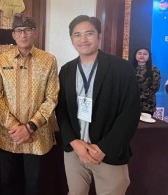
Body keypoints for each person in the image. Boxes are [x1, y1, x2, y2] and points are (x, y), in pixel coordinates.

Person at [55, 15, 140, 195]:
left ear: (99, 36)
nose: (83, 39)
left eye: (89, 33)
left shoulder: (122, 68)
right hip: (76, 151)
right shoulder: (67, 70)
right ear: (71, 39)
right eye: (77, 35)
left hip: (107, 152)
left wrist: (104, 148)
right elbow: (61, 109)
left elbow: (130, 113)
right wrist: (73, 141)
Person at [0, 13, 59, 195]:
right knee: (7, 185)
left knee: (35, 186)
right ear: (13, 35)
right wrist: (14, 126)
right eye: (19, 31)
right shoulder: (1, 60)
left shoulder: (49, 60)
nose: (23, 35)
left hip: (37, 137)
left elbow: (52, 97)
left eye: (28, 30)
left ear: (35, 33)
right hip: (8, 135)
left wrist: (29, 127)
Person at [132, 48, 161, 115]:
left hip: (147, 105)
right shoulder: (129, 68)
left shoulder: (154, 70)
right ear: (135, 55)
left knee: (145, 125)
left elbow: (154, 88)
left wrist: (138, 98)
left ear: (149, 57)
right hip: (130, 103)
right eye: (139, 53)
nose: (142, 55)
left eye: (145, 54)